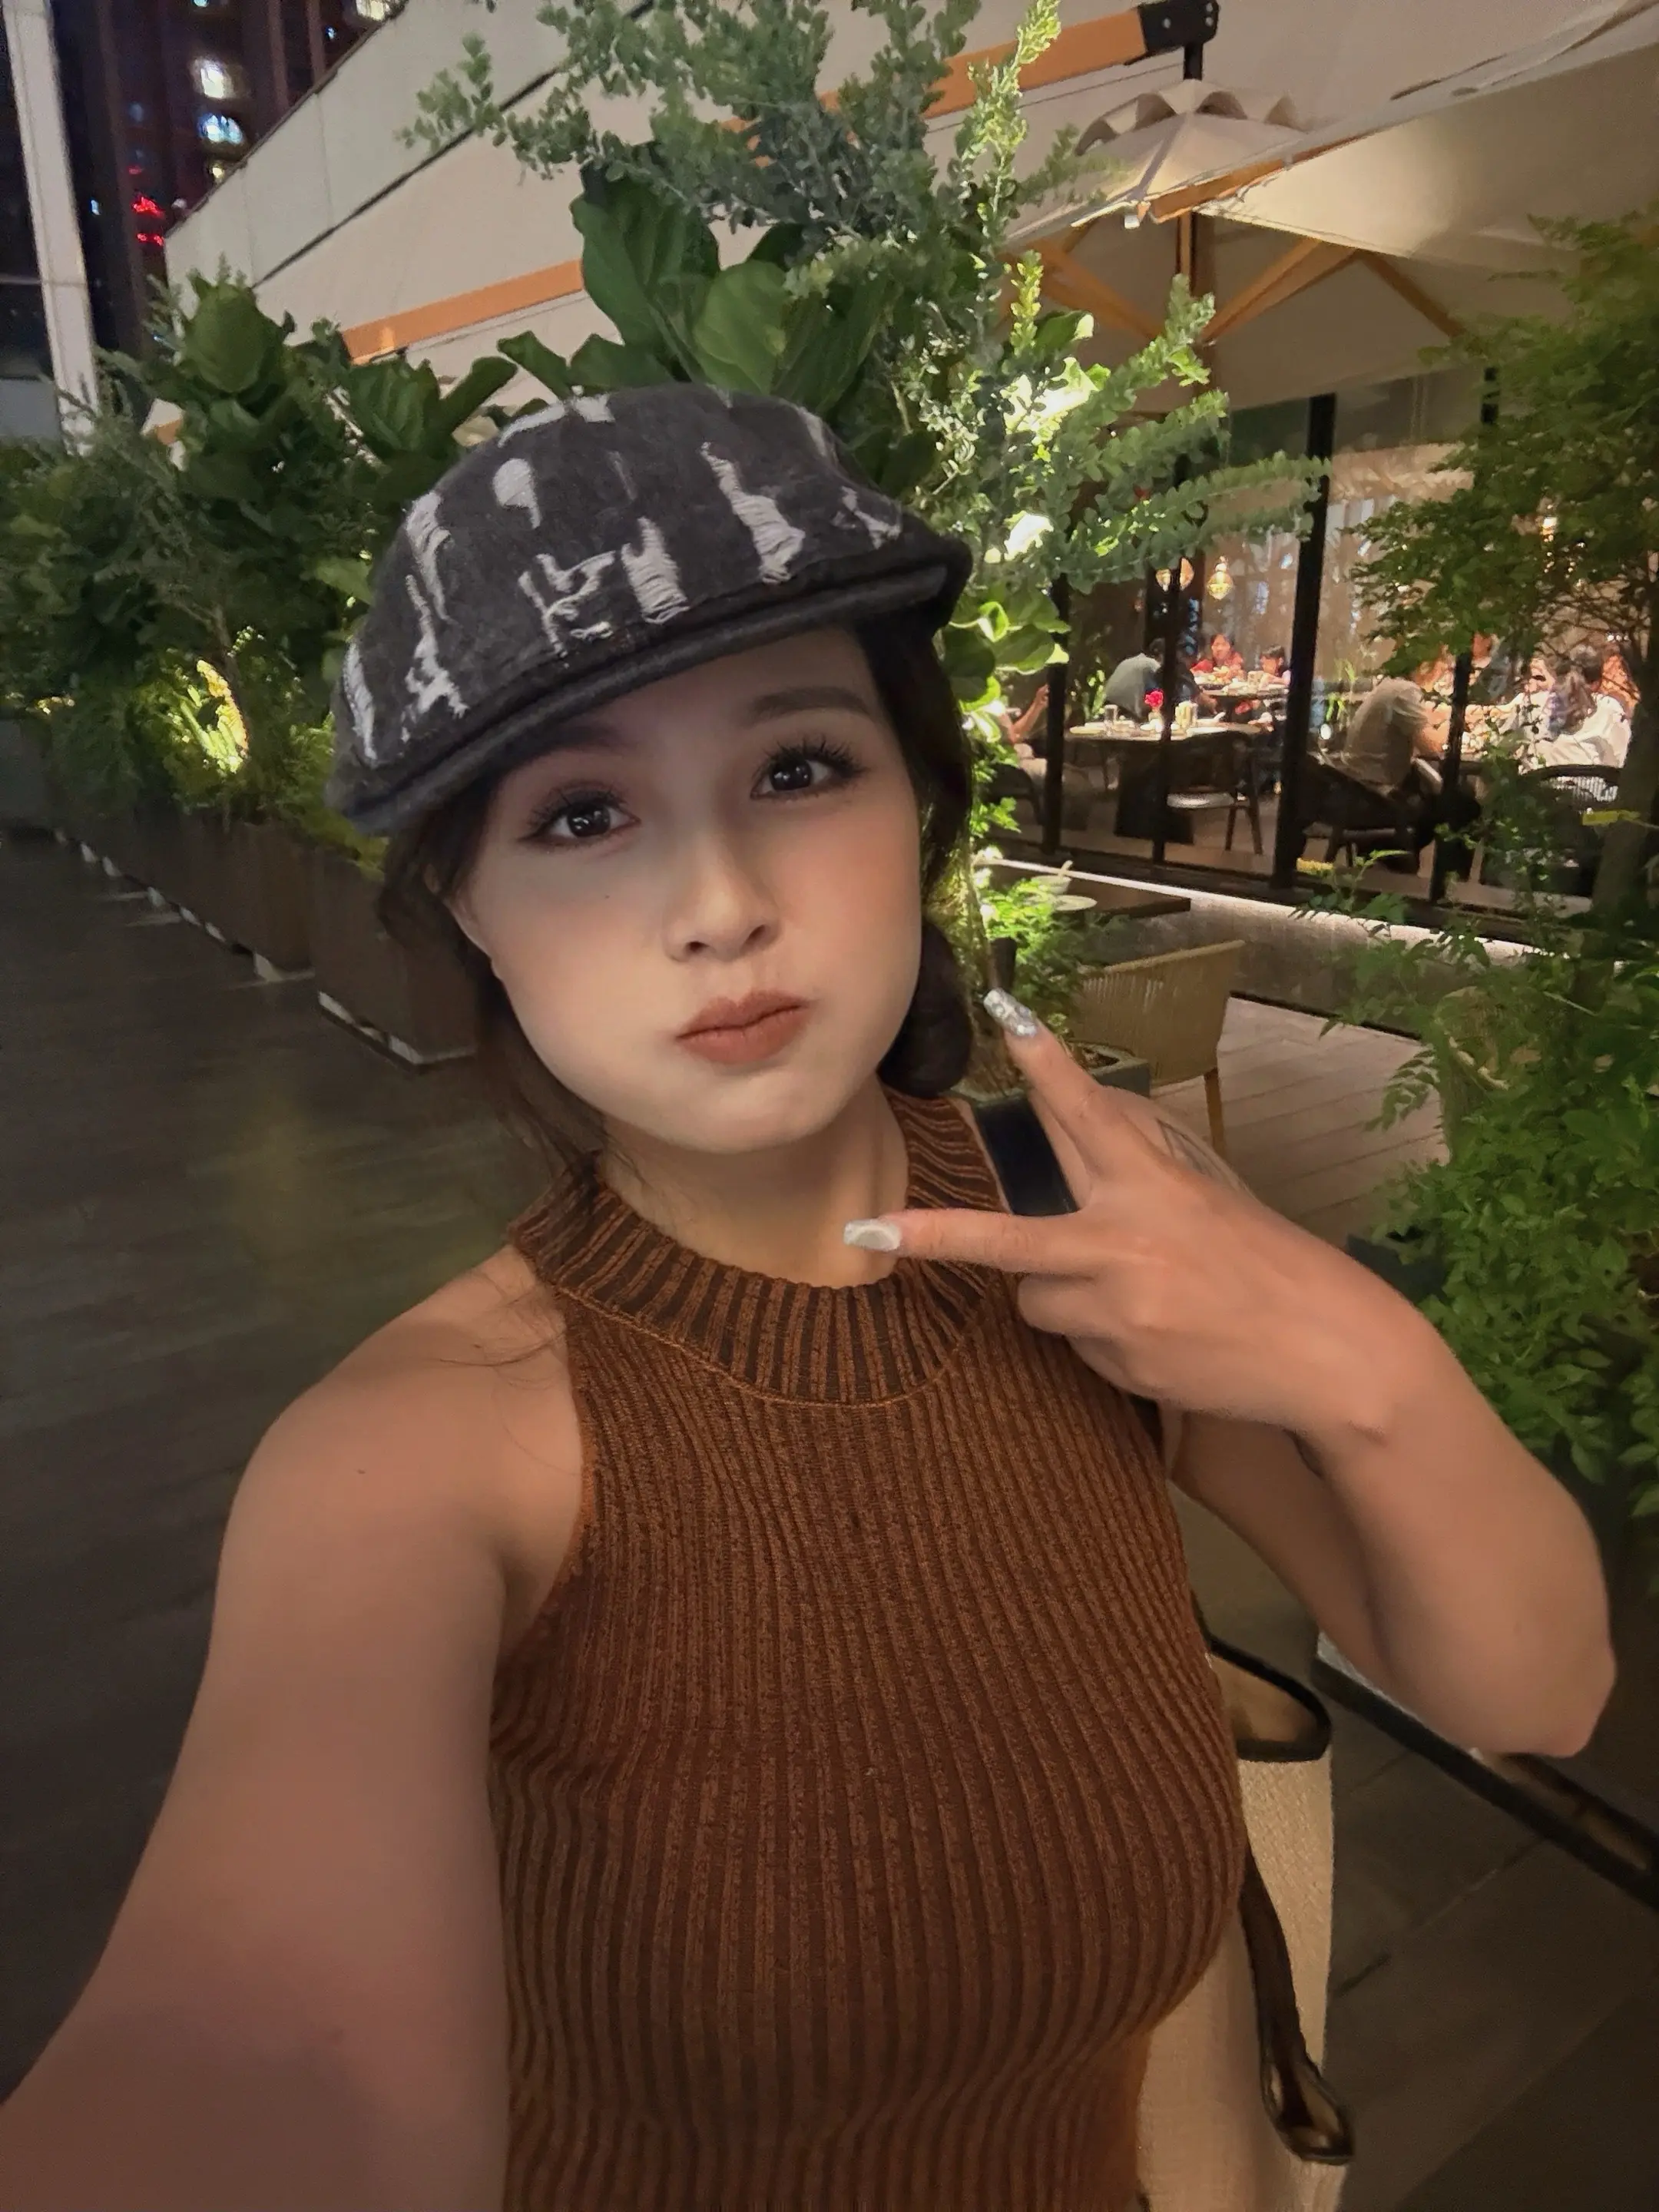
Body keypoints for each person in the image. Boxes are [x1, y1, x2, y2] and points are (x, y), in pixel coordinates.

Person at [0, 386, 1612, 2212]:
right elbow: (267, 2068)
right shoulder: (418, 1463)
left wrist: (1360, 1353)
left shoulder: (1082, 1217)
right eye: (582, 812)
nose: (717, 901)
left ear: (916, 807)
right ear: (468, 913)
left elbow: (1531, 1687)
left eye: (796, 769)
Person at [1101, 646, 1162, 721]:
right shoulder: (1153, 664)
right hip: (1126, 711)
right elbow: (1156, 696)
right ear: (1161, 656)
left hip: (1108, 705)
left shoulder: (1128, 661)